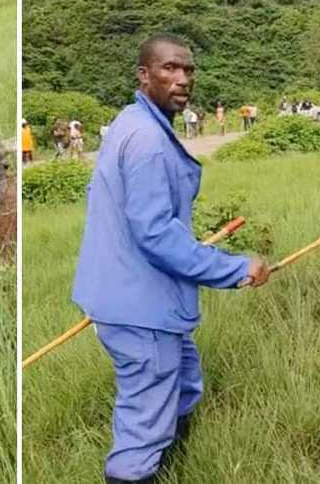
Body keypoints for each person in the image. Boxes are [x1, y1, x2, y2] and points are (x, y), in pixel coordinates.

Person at [72, 34, 270, 484]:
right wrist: (236, 268)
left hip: (135, 296)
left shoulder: (130, 121)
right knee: (142, 426)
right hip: (141, 307)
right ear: (144, 75)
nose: (182, 80)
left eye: (188, 70)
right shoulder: (146, 141)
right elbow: (157, 235)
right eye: (169, 69)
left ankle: (170, 466)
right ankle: (138, 471)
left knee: (183, 385)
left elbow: (136, 215)